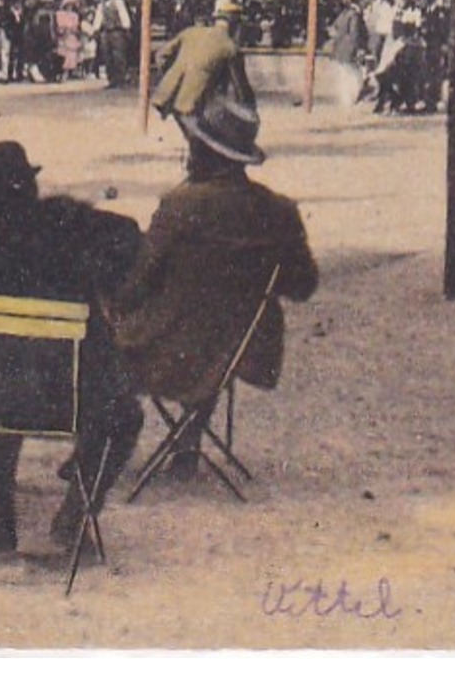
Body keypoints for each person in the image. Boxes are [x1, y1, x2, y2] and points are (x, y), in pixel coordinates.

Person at [0, 142, 146, 555]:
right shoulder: (68, 230)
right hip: (72, 400)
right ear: (31, 187)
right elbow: (128, 235)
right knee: (125, 416)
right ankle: (76, 511)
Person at [112, 102, 318, 481]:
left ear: (204, 153)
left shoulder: (181, 205)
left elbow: (138, 282)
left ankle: (99, 450)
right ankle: (188, 439)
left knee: (110, 331)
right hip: (243, 348)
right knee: (209, 326)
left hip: (170, 346)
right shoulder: (279, 210)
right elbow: (304, 285)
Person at [150, 0, 255, 130]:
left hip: (168, 96)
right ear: (235, 25)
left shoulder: (190, 32)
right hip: (196, 105)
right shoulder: (230, 47)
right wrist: (251, 112)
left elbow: (161, 55)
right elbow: (241, 88)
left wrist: (173, 74)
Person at [327, 0, 368, 107]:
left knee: (344, 75)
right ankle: (353, 98)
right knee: (354, 74)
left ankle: (346, 99)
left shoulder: (343, 14)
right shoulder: (354, 15)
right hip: (350, 47)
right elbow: (354, 33)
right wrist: (359, 48)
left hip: (340, 47)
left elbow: (333, 29)